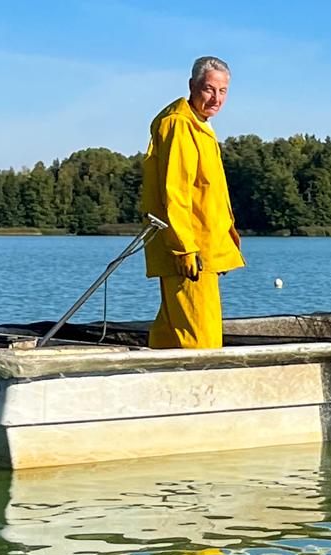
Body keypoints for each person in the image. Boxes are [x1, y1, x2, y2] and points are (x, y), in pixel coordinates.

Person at [142, 56, 244, 349]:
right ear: (192, 86)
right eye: (209, 89)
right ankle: (199, 391)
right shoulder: (180, 126)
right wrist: (185, 249)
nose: (216, 98)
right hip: (188, 254)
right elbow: (175, 192)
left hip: (203, 251)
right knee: (201, 340)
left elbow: (208, 195)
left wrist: (223, 245)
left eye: (223, 91)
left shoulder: (201, 127)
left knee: (171, 332)